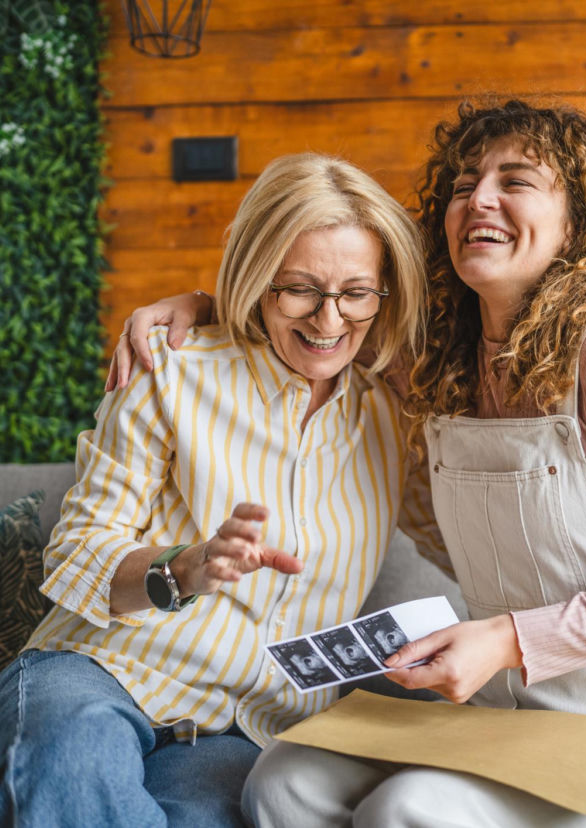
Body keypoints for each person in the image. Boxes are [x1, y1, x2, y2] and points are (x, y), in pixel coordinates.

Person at [112, 99, 586, 827]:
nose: (480, 199)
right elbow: (318, 310)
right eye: (465, 184)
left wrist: (503, 639)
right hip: (506, 716)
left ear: (579, 221)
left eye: (515, 180)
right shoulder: (436, 363)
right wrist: (204, 305)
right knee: (284, 777)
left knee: (413, 808)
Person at [0, 152, 443, 827]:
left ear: (385, 293)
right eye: (299, 289)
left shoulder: (394, 418)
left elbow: (464, 536)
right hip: (98, 673)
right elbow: (76, 554)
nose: (329, 321)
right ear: (258, 277)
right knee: (73, 758)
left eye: (356, 293)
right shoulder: (172, 370)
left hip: (241, 731)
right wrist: (185, 567)